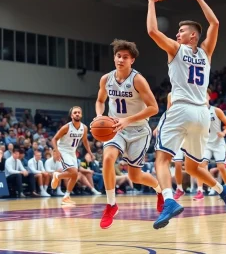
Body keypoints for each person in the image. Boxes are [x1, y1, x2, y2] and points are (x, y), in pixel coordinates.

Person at [146, 0, 226, 229]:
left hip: (181, 108)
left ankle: (168, 200)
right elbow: (215, 23)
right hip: (202, 115)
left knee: (161, 160)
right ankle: (223, 190)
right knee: (194, 168)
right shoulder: (206, 52)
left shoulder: (176, 50)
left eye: (181, 31)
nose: (177, 34)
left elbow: (152, 31)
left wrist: (151, 1)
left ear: (192, 36)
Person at [95, 39, 163, 229]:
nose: (121, 60)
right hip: (115, 127)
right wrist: (100, 116)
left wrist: (128, 120)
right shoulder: (105, 79)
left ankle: (159, 190)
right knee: (108, 159)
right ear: (114, 57)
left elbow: (154, 108)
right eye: (118, 56)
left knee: (135, 176)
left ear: (132, 60)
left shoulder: (138, 79)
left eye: (125, 57)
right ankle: (111, 204)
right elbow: (100, 101)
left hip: (139, 130)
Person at [194, 89, 226, 200]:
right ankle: (200, 191)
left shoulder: (217, 110)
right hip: (205, 143)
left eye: (204, 95)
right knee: (201, 166)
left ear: (209, 97)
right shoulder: (197, 112)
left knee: (221, 166)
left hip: (218, 143)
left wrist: (224, 132)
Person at [51, 106, 93, 205]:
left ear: (81, 114)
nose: (77, 114)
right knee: (74, 172)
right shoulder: (66, 127)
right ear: (71, 115)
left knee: (75, 175)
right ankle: (57, 175)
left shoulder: (84, 128)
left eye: (79, 112)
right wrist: (56, 151)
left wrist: (90, 152)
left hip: (72, 152)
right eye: (75, 113)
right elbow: (54, 139)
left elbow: (85, 141)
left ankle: (66, 197)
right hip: (63, 151)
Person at [153, 92, 186, 200]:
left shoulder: (193, 89)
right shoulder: (171, 95)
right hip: (178, 131)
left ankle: (206, 188)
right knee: (177, 163)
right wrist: (159, 126)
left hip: (193, 127)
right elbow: (168, 112)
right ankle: (179, 188)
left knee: (197, 166)